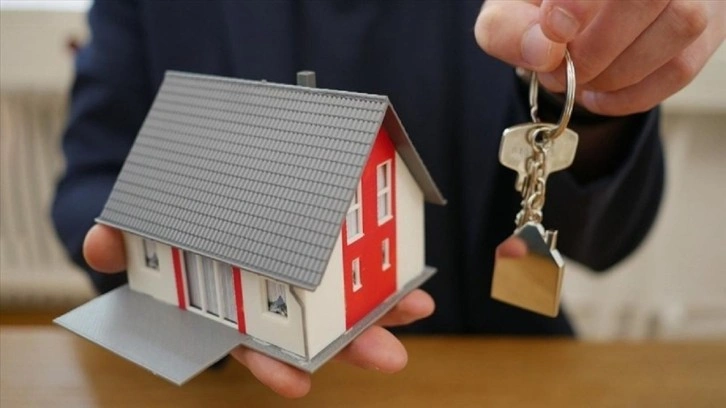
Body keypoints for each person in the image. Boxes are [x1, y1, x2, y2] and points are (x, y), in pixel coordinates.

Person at [51, 0, 725, 398]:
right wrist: (191, 263)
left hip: (500, 374)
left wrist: (591, 96)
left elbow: (610, 237)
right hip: (233, 390)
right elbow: (89, 186)